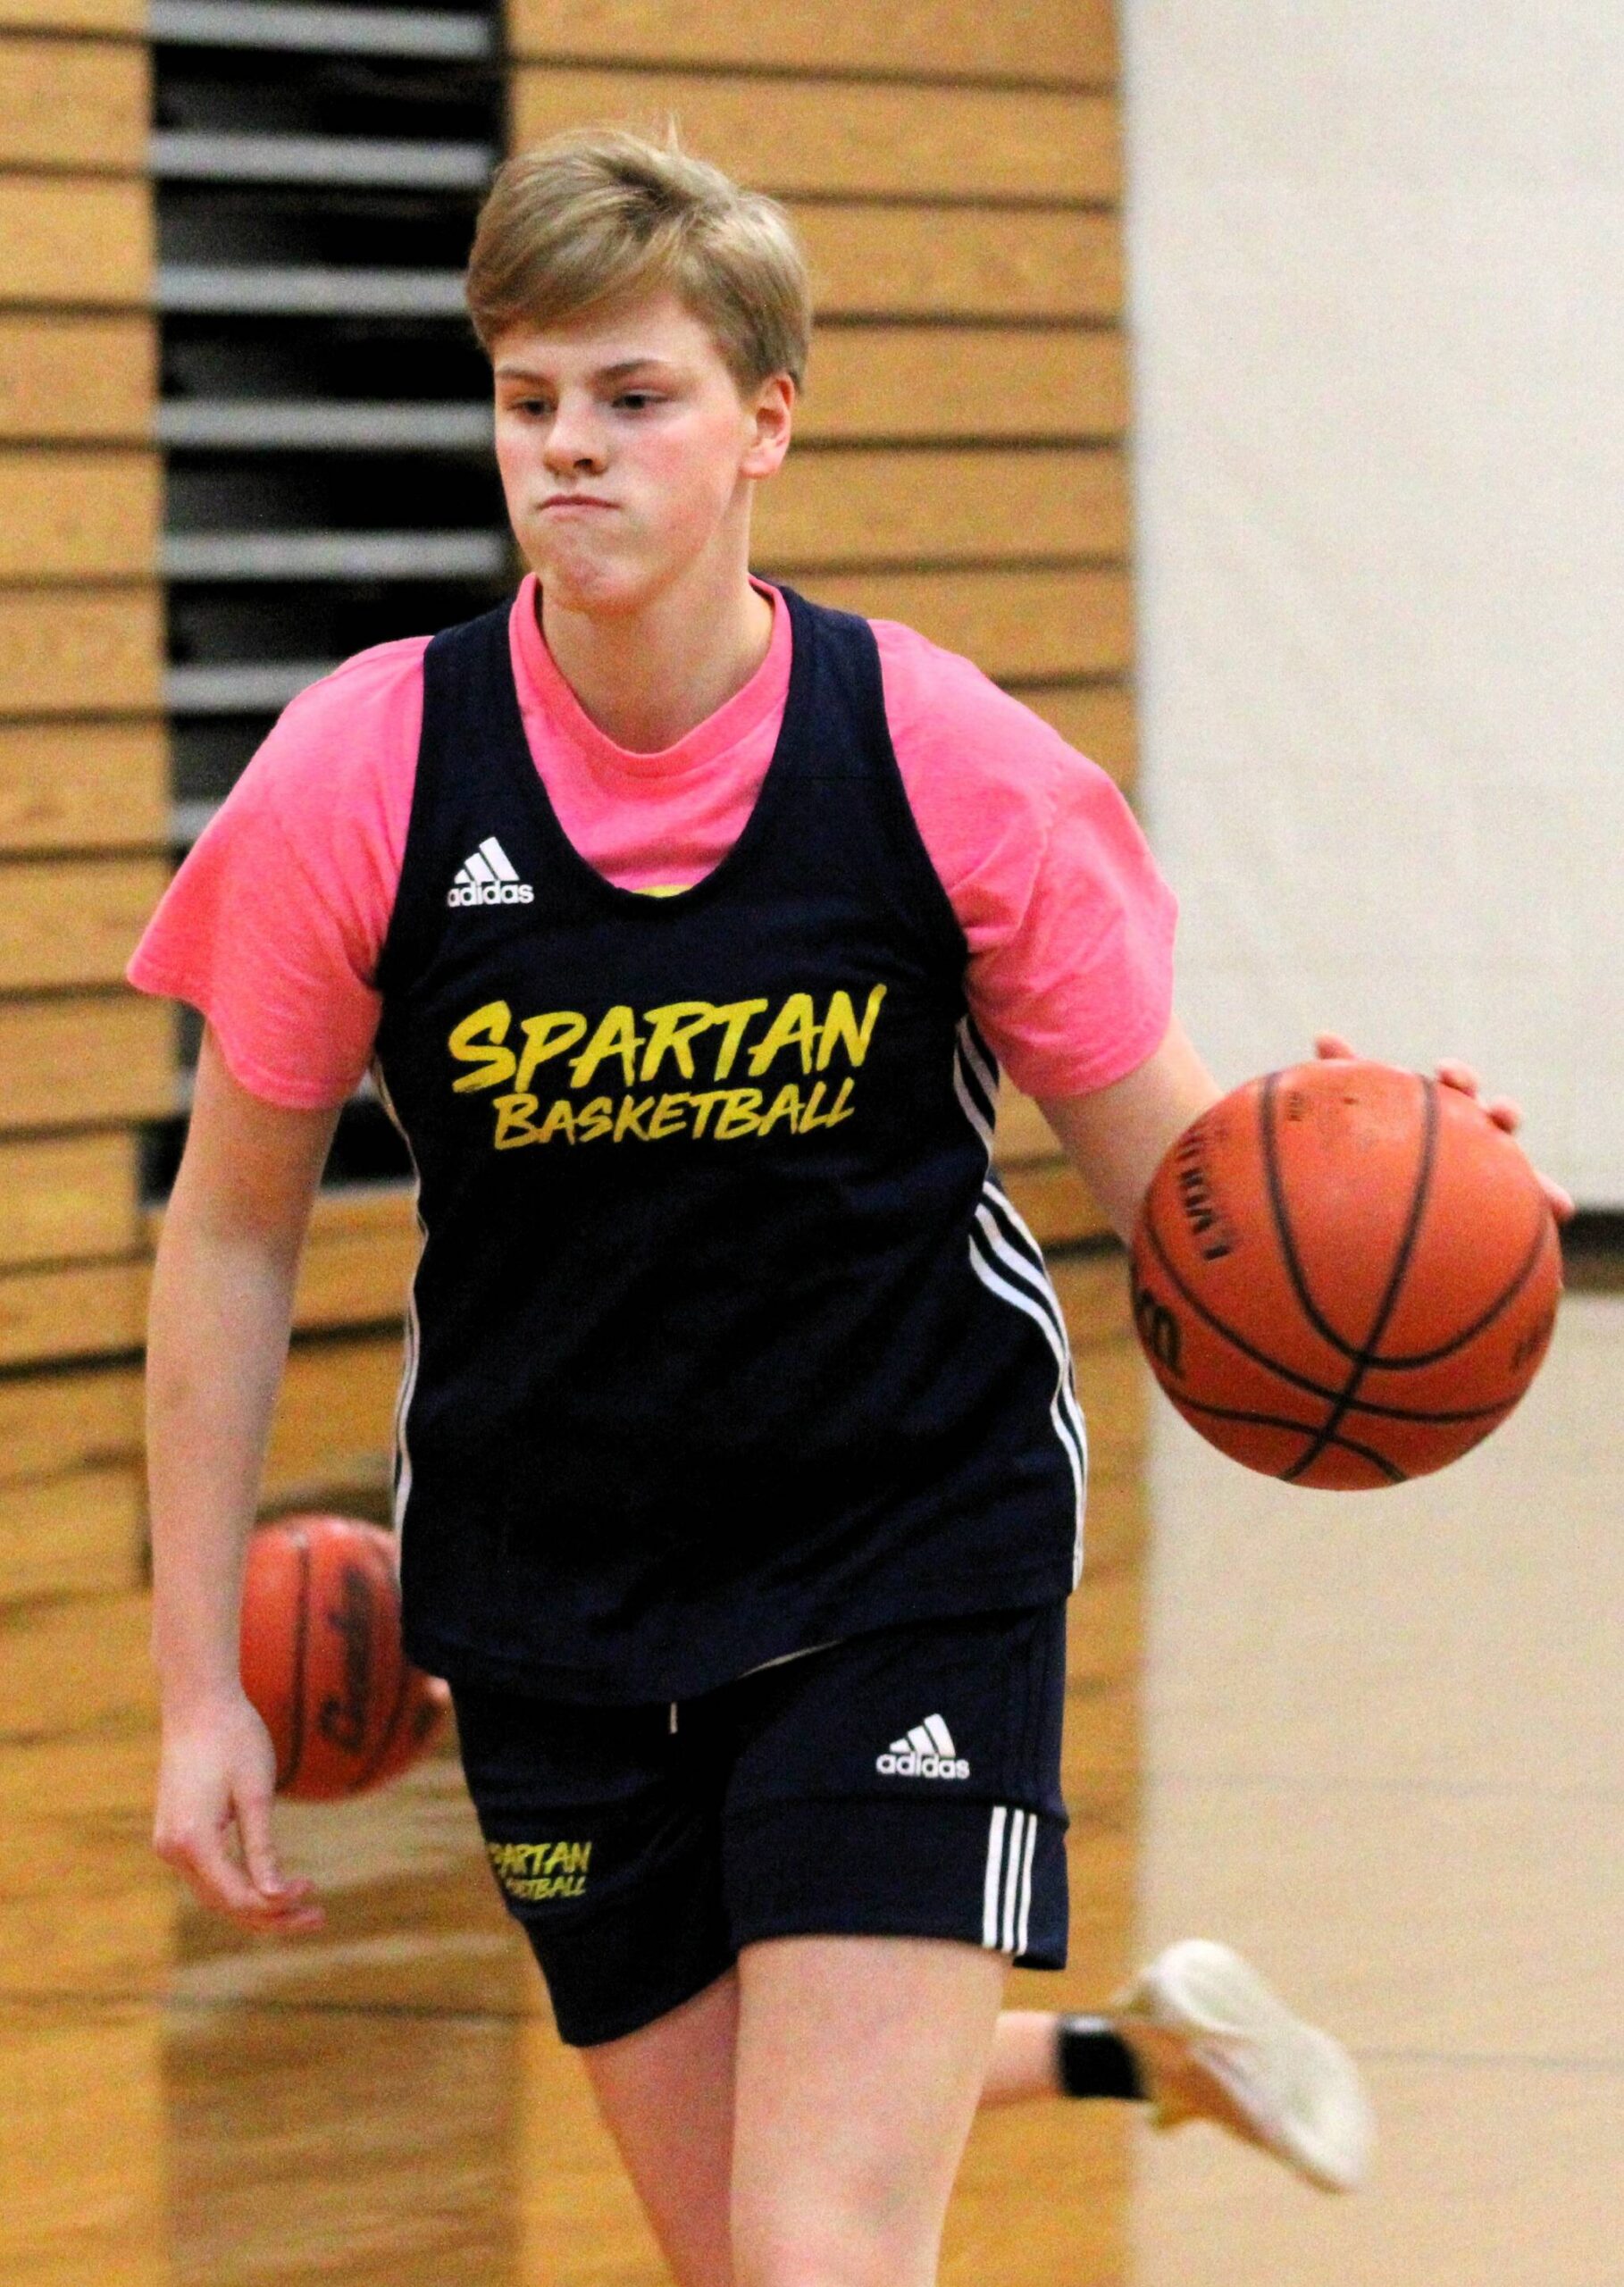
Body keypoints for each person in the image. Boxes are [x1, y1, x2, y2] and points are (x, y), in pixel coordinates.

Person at [135, 130, 1567, 2287]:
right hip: (555, 1592)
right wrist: (189, 1689)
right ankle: (1117, 2052)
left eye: (635, 398)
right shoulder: (368, 771)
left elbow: (1197, 1202)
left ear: (767, 419)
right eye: (529, 401)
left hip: (904, 1538)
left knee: (818, 2249)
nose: (569, 452)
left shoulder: (940, 759)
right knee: (748, 2235)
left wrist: (1386, 1162)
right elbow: (231, 1231)